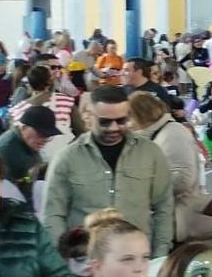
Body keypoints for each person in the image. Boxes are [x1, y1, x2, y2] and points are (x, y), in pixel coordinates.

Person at [40, 86, 176, 256]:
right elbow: (53, 214)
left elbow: (163, 206)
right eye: (105, 122)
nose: (113, 128)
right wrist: (66, 259)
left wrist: (160, 255)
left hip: (138, 258)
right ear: (89, 117)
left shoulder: (151, 153)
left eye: (121, 121)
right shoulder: (66, 158)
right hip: (87, 260)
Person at [125, 90, 212, 247]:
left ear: (140, 115)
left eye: (129, 117)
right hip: (170, 217)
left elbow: (183, 178)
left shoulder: (172, 134)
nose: (127, 124)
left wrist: (146, 186)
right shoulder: (160, 133)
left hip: (179, 217)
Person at [0, 105, 57, 199]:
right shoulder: (4, 152)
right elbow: (4, 190)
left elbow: (27, 177)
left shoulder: (28, 143)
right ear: (23, 128)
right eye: (41, 134)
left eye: (48, 136)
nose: (44, 139)